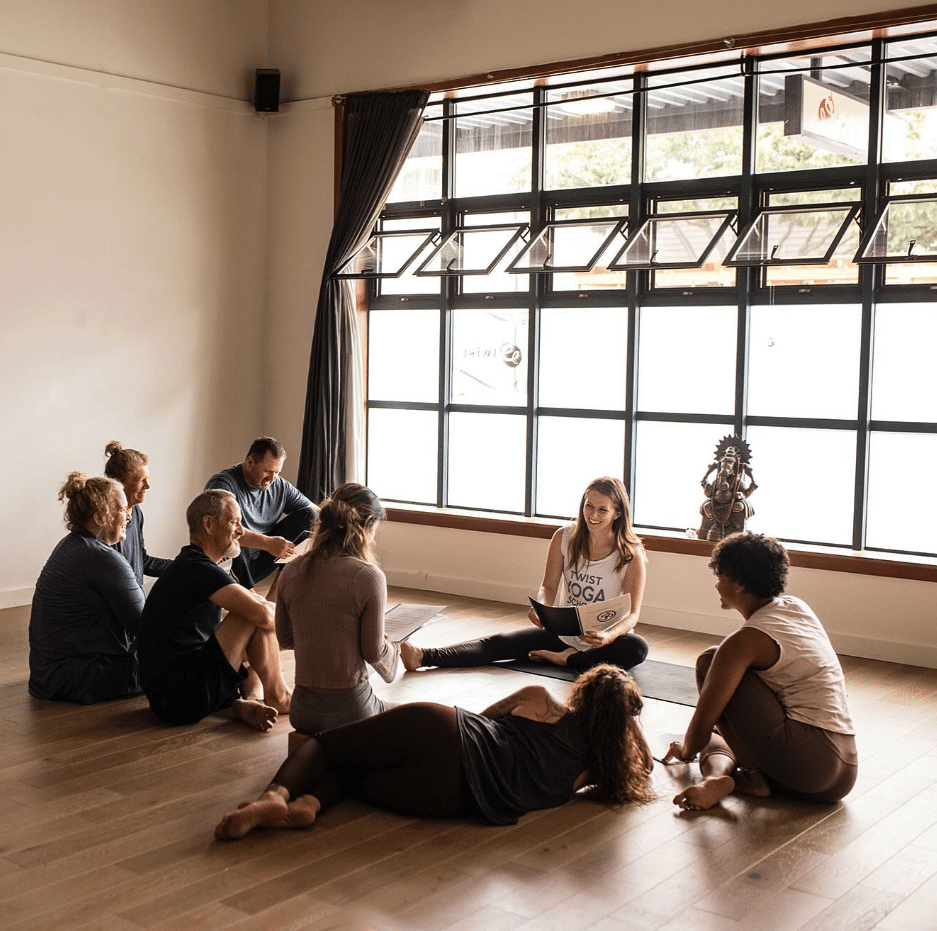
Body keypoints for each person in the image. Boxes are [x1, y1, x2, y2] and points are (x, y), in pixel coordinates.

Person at [214, 663, 655, 839]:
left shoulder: (541, 699)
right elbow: (647, 764)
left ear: (582, 695)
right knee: (350, 780)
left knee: (327, 745)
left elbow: (479, 715)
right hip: (453, 798)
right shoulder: (592, 773)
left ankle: (274, 796)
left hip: (444, 731)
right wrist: (627, 722)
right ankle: (308, 805)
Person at [662, 532, 857, 810]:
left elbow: (700, 726)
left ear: (739, 584)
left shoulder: (745, 641)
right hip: (844, 774)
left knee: (710, 663)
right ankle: (719, 778)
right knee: (718, 739)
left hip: (809, 763)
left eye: (721, 577)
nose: (717, 585)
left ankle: (752, 778)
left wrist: (684, 751)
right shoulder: (797, 607)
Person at [401, 477, 649, 674]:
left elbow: (632, 613)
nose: (593, 515)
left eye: (602, 510)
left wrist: (607, 635)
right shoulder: (564, 537)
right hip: (565, 634)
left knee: (637, 648)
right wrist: (543, 607)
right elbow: (548, 586)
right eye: (589, 506)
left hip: (603, 640)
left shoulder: (631, 554)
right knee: (499, 642)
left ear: (617, 513)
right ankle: (423, 656)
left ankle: (570, 661)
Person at [137, 489, 292, 730]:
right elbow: (263, 616)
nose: (241, 531)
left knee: (255, 620)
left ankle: (248, 701)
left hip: (167, 698)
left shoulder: (192, 563)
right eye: (234, 522)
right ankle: (280, 696)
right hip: (177, 697)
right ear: (208, 524)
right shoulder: (199, 569)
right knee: (253, 616)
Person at [277, 483, 400, 734]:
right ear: (368, 523)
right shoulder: (369, 576)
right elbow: (374, 651)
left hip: (302, 710)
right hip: (352, 710)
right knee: (416, 717)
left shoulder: (290, 570)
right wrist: (394, 649)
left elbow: (286, 638)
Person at [29, 473, 144, 704]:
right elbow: (146, 628)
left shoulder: (72, 545)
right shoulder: (101, 558)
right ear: (100, 517)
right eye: (122, 509)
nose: (129, 516)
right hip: (79, 679)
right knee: (180, 659)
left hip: (49, 676)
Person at [205, 436, 317, 597]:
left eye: (277, 472)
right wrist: (267, 543)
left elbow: (316, 511)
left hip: (260, 561)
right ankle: (251, 598)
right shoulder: (223, 483)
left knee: (309, 516)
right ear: (250, 462)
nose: (272, 479)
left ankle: (274, 596)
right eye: (267, 471)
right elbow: (222, 530)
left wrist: (344, 517)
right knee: (232, 531)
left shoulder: (279, 485)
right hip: (228, 564)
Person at [103, 440, 171, 586]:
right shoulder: (107, 521)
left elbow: (143, 561)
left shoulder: (136, 512)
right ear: (119, 483)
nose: (148, 486)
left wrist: (183, 566)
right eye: (142, 480)